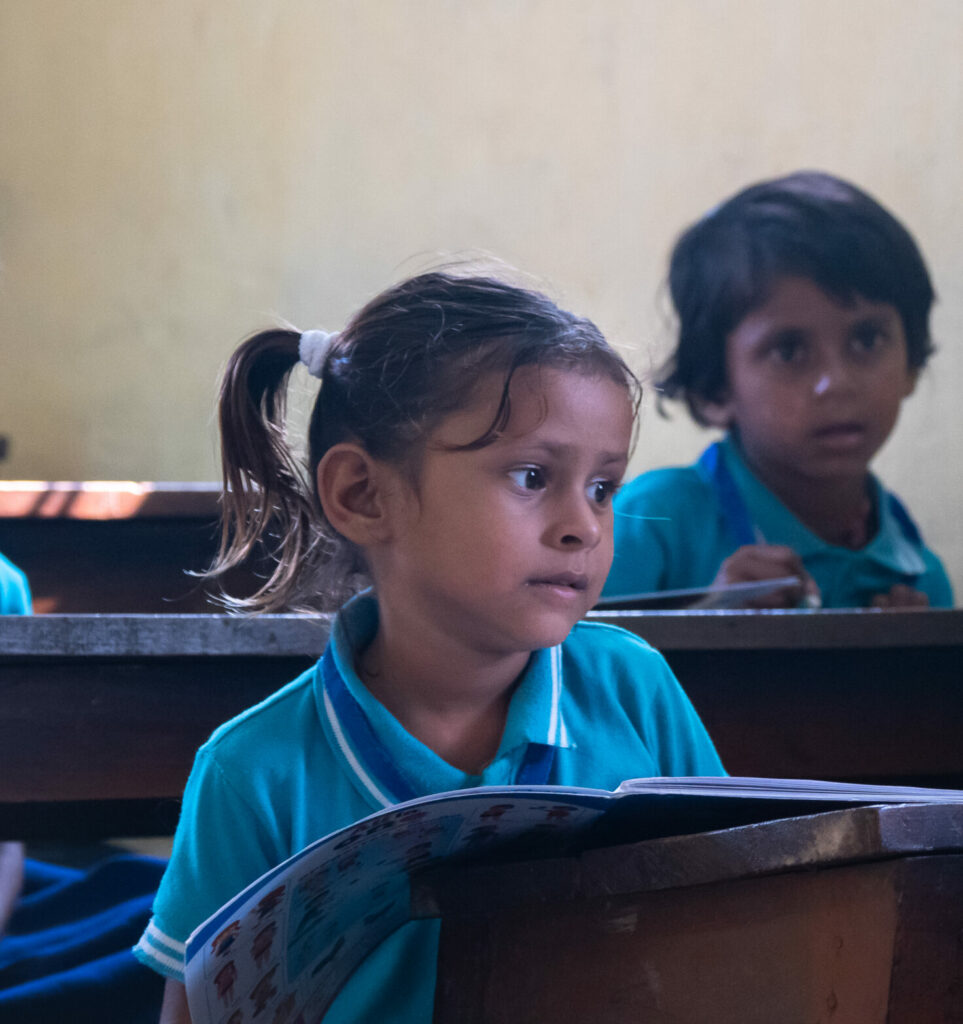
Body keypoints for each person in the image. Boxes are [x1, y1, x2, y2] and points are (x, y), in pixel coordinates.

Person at [133, 270, 724, 1022]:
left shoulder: (633, 691)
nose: (584, 525)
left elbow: (731, 929)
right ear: (363, 495)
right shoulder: (253, 771)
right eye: (532, 475)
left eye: (603, 486)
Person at [604, 171, 953, 609]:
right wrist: (709, 625)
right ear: (715, 390)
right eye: (789, 351)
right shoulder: (648, 523)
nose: (837, 382)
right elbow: (565, 670)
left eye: (867, 339)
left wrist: (912, 669)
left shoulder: (921, 578)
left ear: (912, 364)